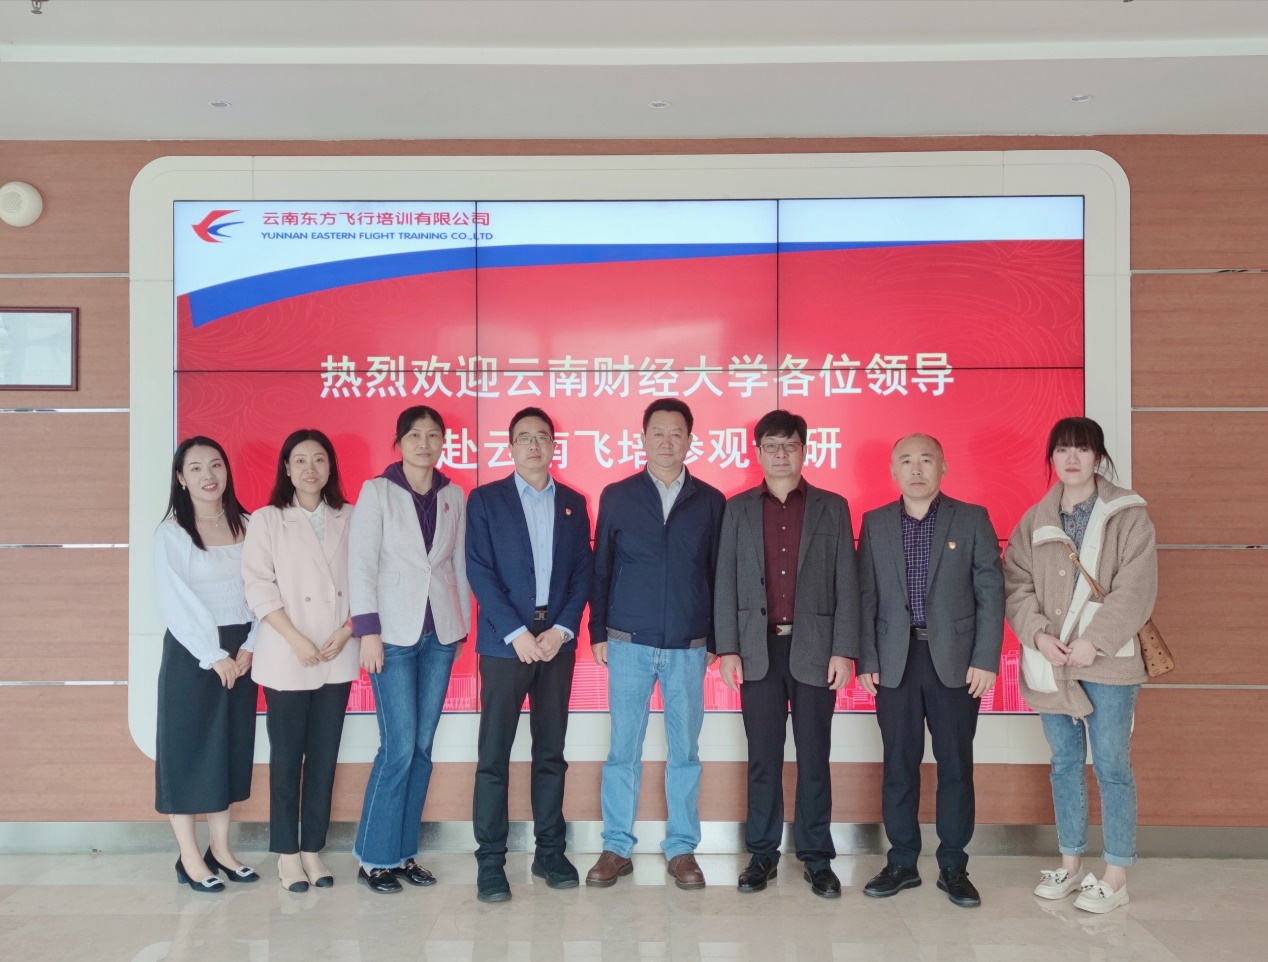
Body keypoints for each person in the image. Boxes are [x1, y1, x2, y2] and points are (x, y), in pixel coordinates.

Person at [1004, 416, 1157, 914]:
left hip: (1107, 662)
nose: (1072, 458)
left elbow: (1136, 588)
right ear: (1051, 457)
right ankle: (1069, 864)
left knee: (1111, 766)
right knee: (1065, 765)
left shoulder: (1128, 515)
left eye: (1083, 449)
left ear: (1098, 457)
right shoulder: (1035, 520)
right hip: (1052, 661)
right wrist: (1037, 634)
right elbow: (1016, 585)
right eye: (1063, 449)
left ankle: (1115, 874)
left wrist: (1096, 641)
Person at [713, 409, 860, 898]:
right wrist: (728, 648)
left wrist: (844, 649)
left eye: (790, 445)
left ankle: (817, 857)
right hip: (757, 650)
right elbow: (725, 581)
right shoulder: (737, 509)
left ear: (804, 450)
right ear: (757, 452)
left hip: (816, 648)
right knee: (763, 757)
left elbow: (847, 582)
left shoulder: (832, 507)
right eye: (771, 446)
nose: (781, 454)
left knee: (815, 756)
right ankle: (762, 854)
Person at [854, 434, 1004, 908]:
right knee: (898, 764)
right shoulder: (875, 522)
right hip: (894, 661)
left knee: (955, 765)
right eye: (906, 461)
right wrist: (867, 659)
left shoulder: (971, 518)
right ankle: (901, 862)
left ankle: (954, 866)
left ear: (943, 467)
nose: (916, 469)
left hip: (957, 663)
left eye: (926, 460)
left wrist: (986, 658)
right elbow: (865, 595)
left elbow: (990, 593)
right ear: (893, 471)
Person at [586, 398, 726, 891]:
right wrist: (597, 631)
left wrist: (716, 639)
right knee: (622, 750)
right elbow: (601, 567)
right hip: (628, 641)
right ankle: (616, 847)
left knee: (685, 751)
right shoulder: (618, 495)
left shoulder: (710, 501)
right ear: (643, 438)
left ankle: (682, 849)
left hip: (688, 645)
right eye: (658, 432)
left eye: (676, 433)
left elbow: (718, 575)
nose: (667, 442)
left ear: (690, 440)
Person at [465, 406, 593, 903]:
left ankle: (550, 852)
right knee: (493, 755)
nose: (534, 445)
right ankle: (490, 861)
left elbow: (583, 573)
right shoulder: (486, 500)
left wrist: (561, 630)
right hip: (505, 644)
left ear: (554, 445)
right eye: (524, 437)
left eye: (542, 437)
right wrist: (516, 633)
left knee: (551, 751)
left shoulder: (574, 502)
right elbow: (479, 570)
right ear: (511, 446)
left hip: (556, 642)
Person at [349, 406, 471, 894]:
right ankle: (374, 858)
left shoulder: (453, 495)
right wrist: (367, 631)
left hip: (439, 635)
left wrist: (460, 629)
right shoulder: (377, 491)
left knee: (421, 748)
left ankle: (403, 853)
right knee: (398, 748)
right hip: (391, 636)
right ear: (398, 442)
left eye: (433, 435)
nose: (424, 443)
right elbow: (361, 563)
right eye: (415, 435)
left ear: (443, 442)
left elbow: (458, 564)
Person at [241, 429, 359, 892]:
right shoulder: (268, 519)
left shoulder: (351, 515)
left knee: (324, 758)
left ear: (331, 467)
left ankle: (313, 848)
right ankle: (287, 854)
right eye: (300, 460)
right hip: (288, 653)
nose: (311, 468)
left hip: (336, 650)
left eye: (320, 459)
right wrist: (296, 640)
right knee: (288, 758)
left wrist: (347, 630)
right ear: (287, 469)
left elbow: (368, 580)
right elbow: (258, 586)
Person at [153, 436, 259, 893]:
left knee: (227, 750)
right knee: (187, 751)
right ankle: (189, 856)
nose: (208, 475)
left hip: (243, 651)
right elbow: (176, 601)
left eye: (215, 464)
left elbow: (265, 589)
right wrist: (213, 655)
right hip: (193, 652)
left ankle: (222, 850)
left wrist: (252, 644)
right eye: (195, 468)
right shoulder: (172, 533)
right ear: (181, 478)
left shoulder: (250, 525)